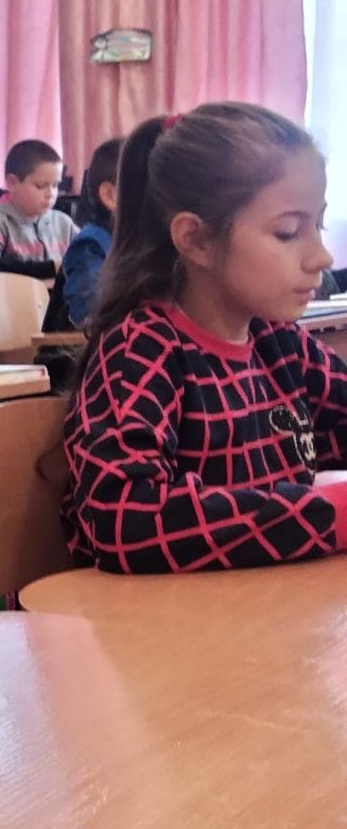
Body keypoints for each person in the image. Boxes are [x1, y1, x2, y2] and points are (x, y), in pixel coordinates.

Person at [64, 104, 347, 574]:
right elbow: (125, 519)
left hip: (267, 606)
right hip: (161, 617)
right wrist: (327, 514)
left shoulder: (281, 344)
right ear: (195, 240)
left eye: (317, 224)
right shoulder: (141, 351)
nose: (321, 256)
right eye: (287, 232)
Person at [42, 137, 123, 332]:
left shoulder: (138, 244)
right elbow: (89, 315)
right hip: (72, 347)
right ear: (110, 196)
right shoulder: (90, 245)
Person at [0, 139, 76, 278]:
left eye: (55, 185)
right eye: (40, 185)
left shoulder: (64, 223)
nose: (51, 194)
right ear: (12, 183)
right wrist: (52, 268)